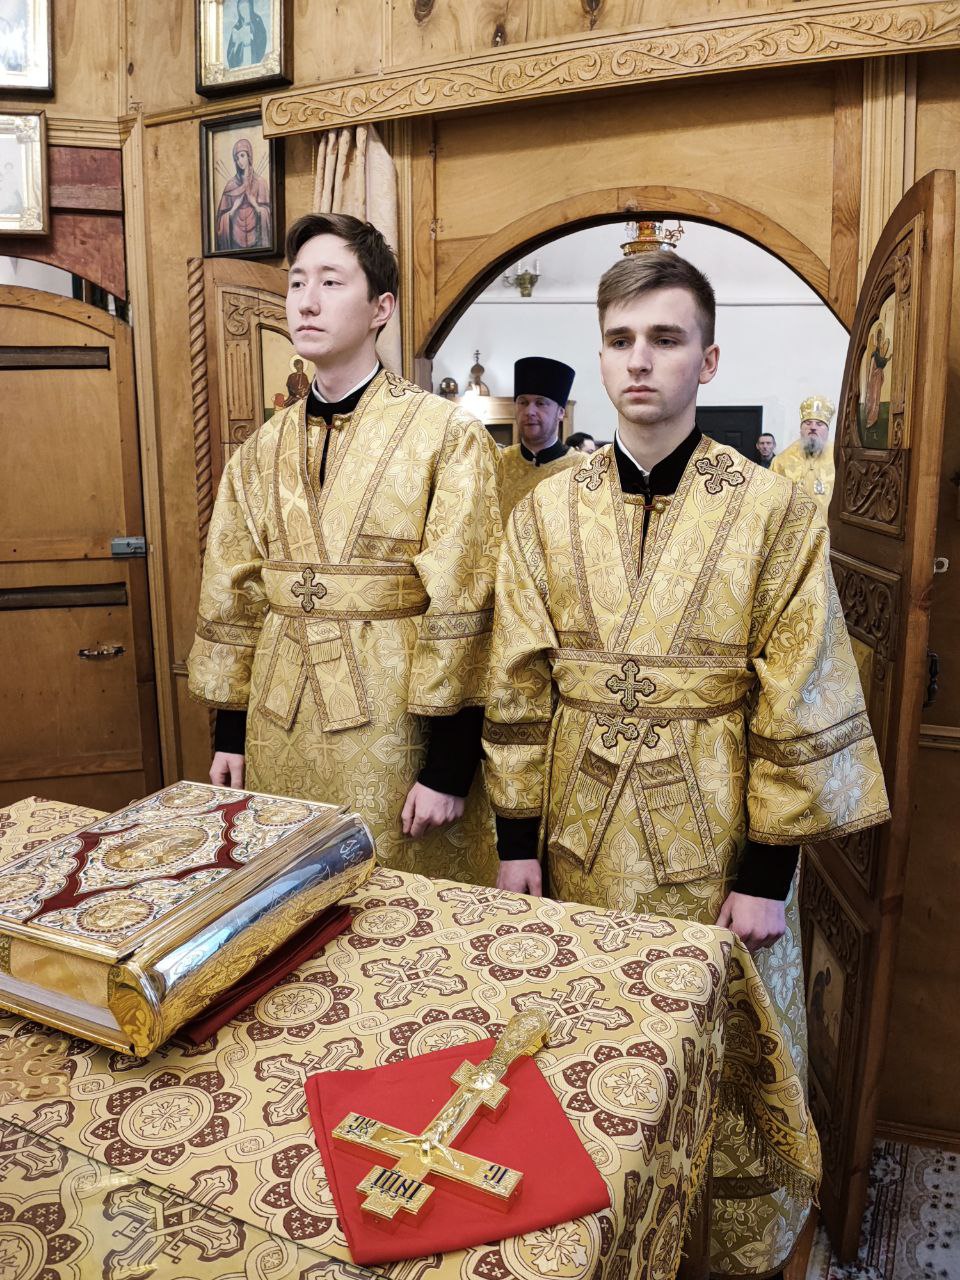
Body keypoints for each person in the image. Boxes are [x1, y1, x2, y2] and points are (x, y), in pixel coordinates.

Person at [482, 252, 890, 1277]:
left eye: (664, 339)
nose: (639, 360)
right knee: (590, 1051)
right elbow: (518, 684)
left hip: (719, 853)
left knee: (720, 1059)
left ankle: (721, 1254)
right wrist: (517, 843)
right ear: (600, 355)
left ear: (706, 359)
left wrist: (766, 873)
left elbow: (800, 686)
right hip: (577, 844)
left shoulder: (771, 509)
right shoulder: (546, 510)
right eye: (620, 339)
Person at [189, 212, 502, 886]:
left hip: (394, 727)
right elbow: (234, 594)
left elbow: (468, 599)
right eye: (297, 282)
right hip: (277, 721)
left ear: (380, 308)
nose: (306, 301)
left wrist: (449, 767)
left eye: (331, 282)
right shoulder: (261, 449)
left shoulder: (444, 436)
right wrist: (230, 733)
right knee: (290, 899)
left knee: (396, 904)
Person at [499, 357, 580, 518]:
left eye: (540, 403)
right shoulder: (498, 463)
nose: (529, 412)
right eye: (523, 403)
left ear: (561, 412)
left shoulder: (582, 469)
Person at [770, 394, 835, 518]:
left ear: (827, 431)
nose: (813, 427)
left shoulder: (839, 458)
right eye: (808, 423)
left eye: (819, 424)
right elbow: (773, 498)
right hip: (793, 525)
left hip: (829, 525)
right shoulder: (781, 461)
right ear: (801, 430)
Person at [214, 137, 272, 252]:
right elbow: (219, 223)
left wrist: (255, 205)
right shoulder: (230, 185)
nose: (239, 161)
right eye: (236, 158)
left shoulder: (260, 182)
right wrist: (233, 210)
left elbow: (270, 216)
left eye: (242, 156)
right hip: (234, 241)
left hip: (257, 241)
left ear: (249, 156)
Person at [225, 0, 268, 69]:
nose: (244, 11)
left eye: (246, 8)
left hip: (253, 56)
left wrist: (251, 36)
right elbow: (230, 52)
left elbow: (262, 39)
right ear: (239, 10)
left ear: (250, 7)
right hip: (241, 61)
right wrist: (237, 42)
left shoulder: (257, 20)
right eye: (241, 9)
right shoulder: (237, 26)